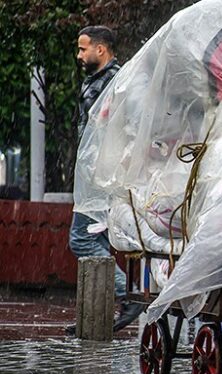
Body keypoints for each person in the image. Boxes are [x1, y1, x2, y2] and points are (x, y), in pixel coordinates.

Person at [66, 26, 141, 335]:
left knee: (82, 239)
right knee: (93, 241)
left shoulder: (115, 82)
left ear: (101, 49)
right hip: (94, 172)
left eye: (84, 49)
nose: (79, 55)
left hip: (103, 173)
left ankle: (128, 295)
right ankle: (95, 319)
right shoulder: (98, 81)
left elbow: (121, 125)